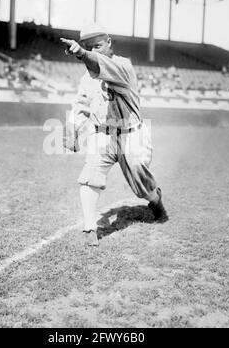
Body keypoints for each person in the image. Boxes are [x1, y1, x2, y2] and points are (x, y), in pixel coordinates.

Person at [60, 23, 169, 247]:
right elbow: (81, 103)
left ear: (109, 42)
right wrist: (72, 125)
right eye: (89, 47)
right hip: (103, 135)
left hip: (132, 135)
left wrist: (81, 53)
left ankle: (155, 199)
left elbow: (100, 65)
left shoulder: (123, 65)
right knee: (90, 178)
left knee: (142, 188)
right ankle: (90, 228)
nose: (94, 51)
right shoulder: (87, 76)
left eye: (97, 46)